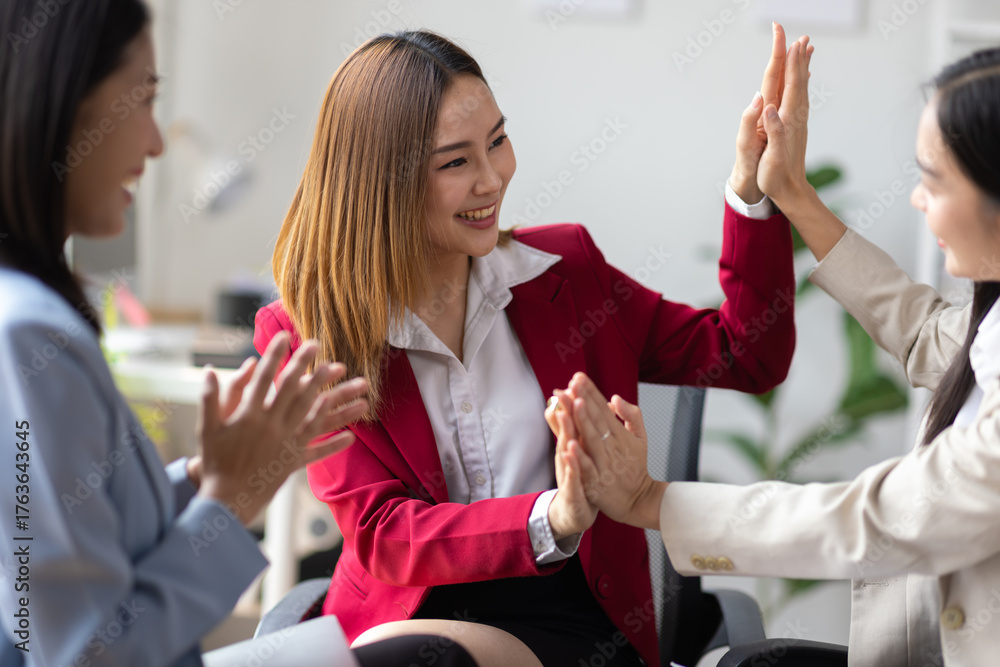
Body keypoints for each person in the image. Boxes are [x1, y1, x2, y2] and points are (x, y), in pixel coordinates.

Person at [254, 26, 810, 667]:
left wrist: (754, 191)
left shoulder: (566, 273)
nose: (492, 179)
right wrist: (553, 515)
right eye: (456, 162)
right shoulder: (307, 334)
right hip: (402, 618)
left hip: (570, 624)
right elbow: (384, 535)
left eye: (497, 141)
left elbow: (746, 353)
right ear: (381, 183)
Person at [0, 1, 479, 665]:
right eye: (140, 100)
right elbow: (86, 654)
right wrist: (234, 499)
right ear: (61, 103)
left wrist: (207, 476)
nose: (156, 143)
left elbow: (72, 526)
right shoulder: (27, 338)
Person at [553, 45, 1000, 667]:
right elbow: (932, 335)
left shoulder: (568, 268)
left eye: (933, 179)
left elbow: (887, 517)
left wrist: (650, 500)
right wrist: (790, 194)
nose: (917, 200)